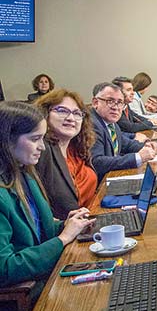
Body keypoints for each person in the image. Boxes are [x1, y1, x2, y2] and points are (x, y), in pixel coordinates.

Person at [0, 101, 95, 290]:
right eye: (35, 139)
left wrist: (65, 225)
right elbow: (5, 269)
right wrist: (63, 239)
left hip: (47, 274)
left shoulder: (24, 175)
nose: (42, 147)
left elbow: (38, 232)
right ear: (6, 140)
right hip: (29, 289)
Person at [34, 89, 98, 220]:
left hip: (90, 217)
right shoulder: (40, 151)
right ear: (45, 113)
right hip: (64, 231)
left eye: (77, 113)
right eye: (62, 111)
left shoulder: (78, 148)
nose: (71, 118)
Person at [90, 82, 157, 181]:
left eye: (120, 102)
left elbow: (125, 143)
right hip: (99, 186)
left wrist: (146, 146)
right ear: (96, 103)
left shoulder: (111, 123)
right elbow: (97, 162)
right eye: (110, 101)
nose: (116, 107)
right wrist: (137, 157)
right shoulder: (92, 124)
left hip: (111, 177)